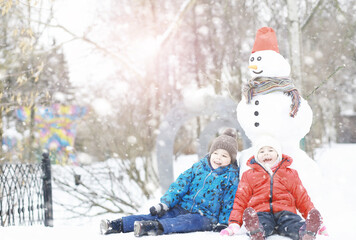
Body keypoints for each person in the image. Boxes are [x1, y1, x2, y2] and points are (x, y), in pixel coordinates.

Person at [100, 128, 239, 237]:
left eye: (224, 155)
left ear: (231, 159)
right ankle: (117, 225)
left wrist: (223, 222)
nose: (218, 158)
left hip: (206, 216)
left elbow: (229, 201)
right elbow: (179, 186)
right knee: (158, 215)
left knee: (185, 222)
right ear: (210, 153)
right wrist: (166, 204)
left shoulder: (230, 177)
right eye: (216, 153)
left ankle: (151, 227)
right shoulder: (198, 167)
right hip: (181, 206)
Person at [220, 135, 328, 240]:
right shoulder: (249, 175)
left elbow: (302, 199)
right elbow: (240, 200)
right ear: (256, 156)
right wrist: (234, 224)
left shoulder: (290, 174)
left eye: (270, 150)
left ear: (278, 153)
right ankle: (257, 232)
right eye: (261, 151)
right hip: (261, 212)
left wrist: (319, 224)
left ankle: (306, 232)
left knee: (294, 224)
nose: (266, 153)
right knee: (260, 223)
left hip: (286, 212)